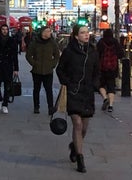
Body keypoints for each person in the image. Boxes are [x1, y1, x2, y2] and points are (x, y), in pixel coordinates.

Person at [56, 25, 100, 173]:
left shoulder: (93, 52)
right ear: (76, 36)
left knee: (85, 128)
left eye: (87, 32)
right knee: (77, 123)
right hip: (73, 92)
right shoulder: (69, 52)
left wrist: (95, 84)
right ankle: (80, 159)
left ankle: (74, 147)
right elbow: (60, 69)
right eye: (82, 33)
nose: (86, 35)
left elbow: (97, 71)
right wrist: (67, 82)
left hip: (87, 93)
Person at [25, 26, 60, 115]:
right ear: (43, 33)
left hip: (48, 71)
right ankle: (36, 106)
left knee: (49, 90)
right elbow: (28, 55)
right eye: (48, 31)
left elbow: (57, 55)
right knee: (36, 89)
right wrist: (34, 63)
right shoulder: (35, 42)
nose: (49, 33)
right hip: (37, 71)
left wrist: (53, 64)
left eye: (50, 31)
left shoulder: (52, 43)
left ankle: (50, 107)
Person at [96, 29, 125, 113]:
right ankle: (111, 105)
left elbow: (97, 54)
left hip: (102, 68)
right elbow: (121, 54)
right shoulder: (115, 42)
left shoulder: (101, 42)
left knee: (101, 85)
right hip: (113, 68)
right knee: (111, 87)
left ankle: (105, 98)